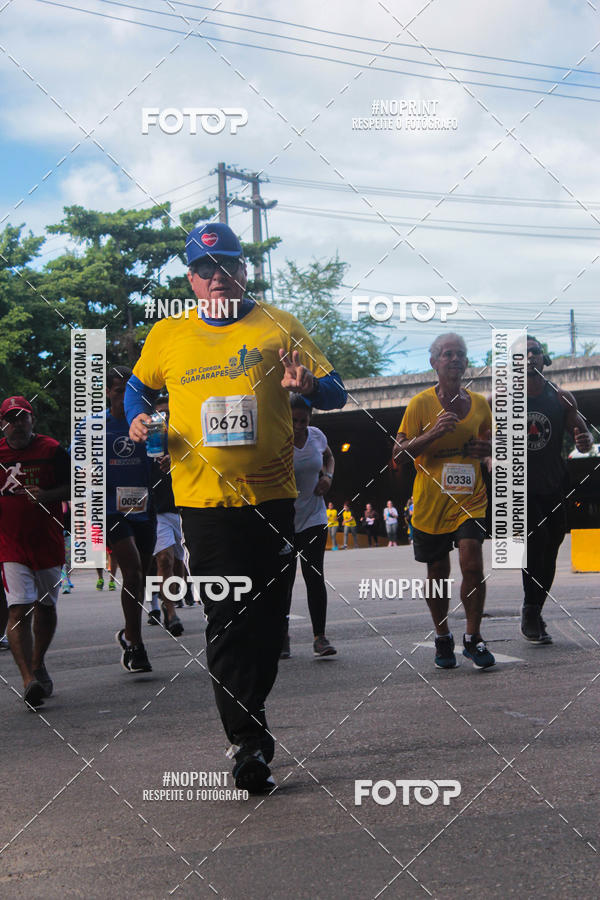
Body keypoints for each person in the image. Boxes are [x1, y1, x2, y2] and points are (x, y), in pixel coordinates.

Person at [125, 222, 347, 793]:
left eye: (226, 264)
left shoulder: (279, 324)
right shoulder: (168, 334)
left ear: (243, 270)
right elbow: (137, 388)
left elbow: (336, 390)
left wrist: (308, 387)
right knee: (226, 617)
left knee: (268, 621)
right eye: (204, 269)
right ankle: (247, 742)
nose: (216, 276)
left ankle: (251, 717)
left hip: (273, 498)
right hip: (203, 500)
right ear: (191, 280)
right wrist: (138, 417)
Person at [395, 334, 495, 670]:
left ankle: (473, 637)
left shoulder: (480, 404)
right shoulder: (420, 405)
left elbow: (489, 449)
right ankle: (442, 635)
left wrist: (488, 453)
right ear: (434, 362)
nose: (454, 359)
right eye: (447, 354)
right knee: (437, 572)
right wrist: (433, 433)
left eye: (460, 355)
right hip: (430, 502)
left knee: (472, 563)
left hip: (470, 499)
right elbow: (397, 455)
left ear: (467, 363)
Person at [522, 337, 593, 643]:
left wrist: (584, 442)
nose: (528, 357)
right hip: (520, 486)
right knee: (536, 541)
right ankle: (529, 612)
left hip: (553, 483)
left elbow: (582, 434)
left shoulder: (561, 398)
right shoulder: (502, 400)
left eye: (534, 352)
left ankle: (535, 609)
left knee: (552, 545)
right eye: (520, 353)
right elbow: (487, 436)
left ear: (543, 359)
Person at [0, 396, 70, 708]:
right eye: (10, 419)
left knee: (46, 607)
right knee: (18, 609)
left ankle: (38, 662)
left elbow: (77, 486)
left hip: (48, 540)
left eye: (22, 418)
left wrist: (49, 494)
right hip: (9, 544)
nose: (17, 424)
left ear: (33, 420)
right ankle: (28, 680)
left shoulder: (52, 450)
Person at [104, 365, 156, 673]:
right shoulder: (95, 426)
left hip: (142, 505)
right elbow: (74, 465)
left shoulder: (151, 425)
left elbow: (166, 458)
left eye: (132, 391)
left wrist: (166, 460)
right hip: (112, 508)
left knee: (141, 577)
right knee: (133, 571)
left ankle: (127, 632)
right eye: (119, 390)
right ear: (108, 393)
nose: (125, 396)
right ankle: (136, 645)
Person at [281, 394, 336, 660]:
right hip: (284, 522)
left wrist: (327, 476)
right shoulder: (277, 438)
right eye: (294, 420)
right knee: (285, 581)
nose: (299, 425)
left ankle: (320, 637)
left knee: (314, 576)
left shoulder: (317, 436)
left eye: (304, 420)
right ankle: (282, 635)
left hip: (314, 517)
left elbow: (329, 457)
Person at [148, 395, 186, 636]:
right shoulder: (150, 436)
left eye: (169, 412)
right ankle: (170, 612)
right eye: (160, 412)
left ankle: (168, 597)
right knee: (164, 559)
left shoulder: (185, 434)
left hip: (184, 507)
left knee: (180, 563)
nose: (165, 416)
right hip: (157, 508)